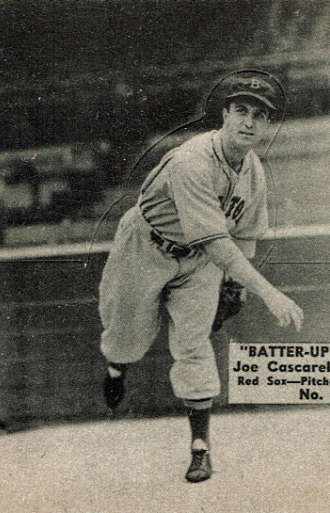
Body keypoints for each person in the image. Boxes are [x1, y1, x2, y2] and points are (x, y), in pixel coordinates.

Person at [98, 71, 304, 483]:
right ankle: (117, 366)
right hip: (147, 245)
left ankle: (200, 449)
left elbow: (244, 236)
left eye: (259, 115)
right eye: (241, 110)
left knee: (193, 345)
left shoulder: (254, 172)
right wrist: (268, 293)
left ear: (267, 125)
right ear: (225, 114)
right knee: (127, 338)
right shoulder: (193, 159)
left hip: (199, 262)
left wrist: (235, 288)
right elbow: (220, 245)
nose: (249, 121)